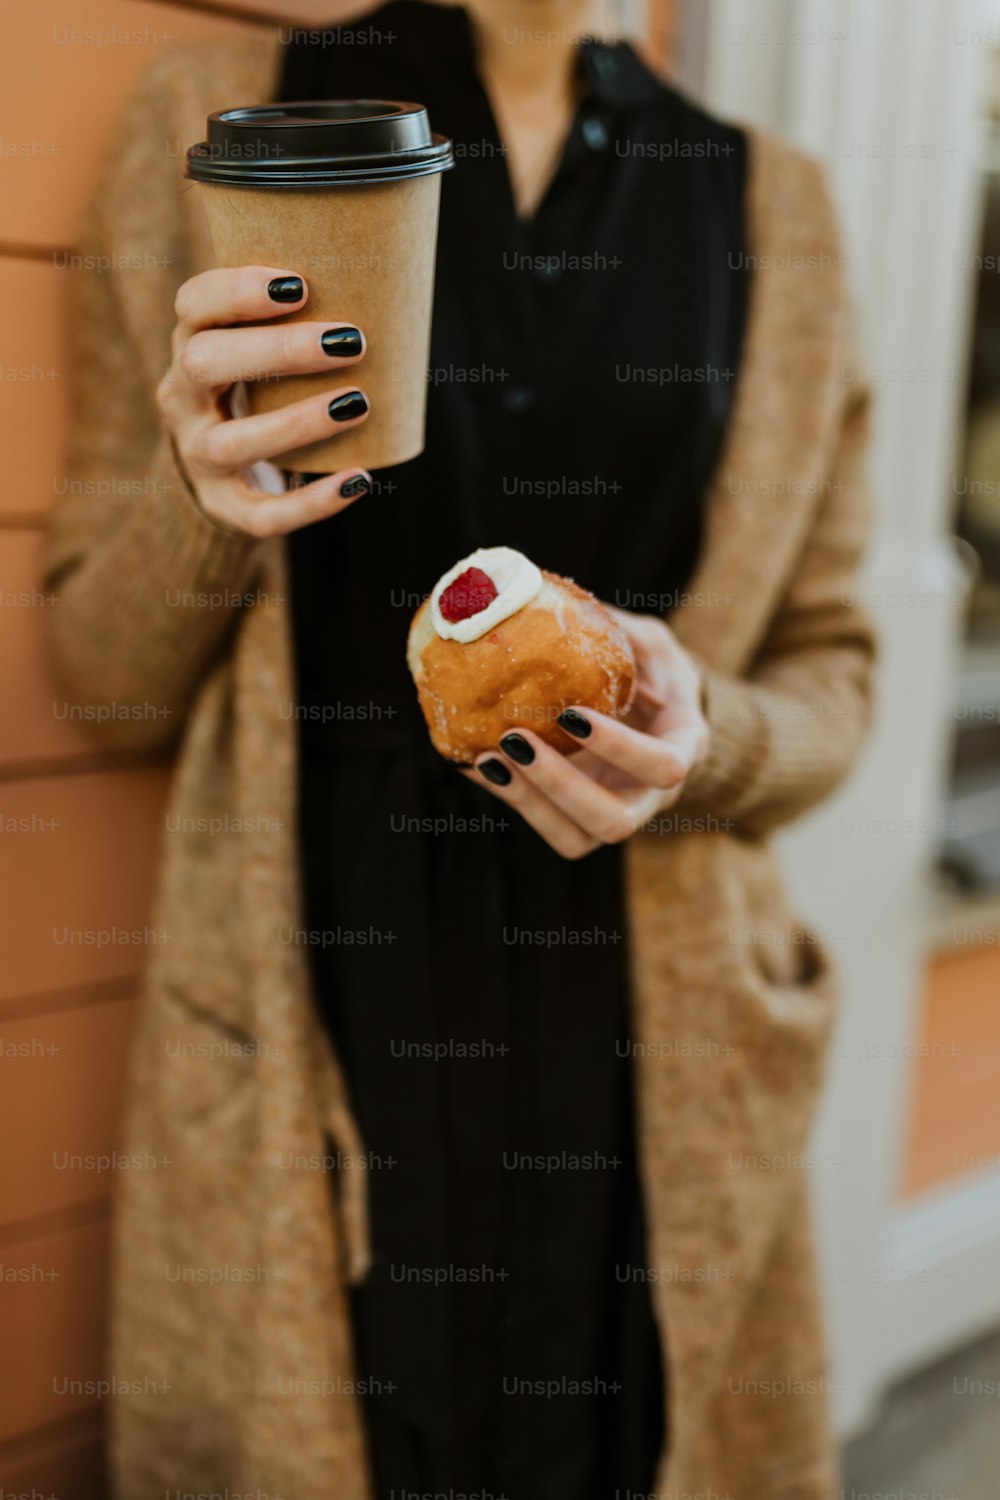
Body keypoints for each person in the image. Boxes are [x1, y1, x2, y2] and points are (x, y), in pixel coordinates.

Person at [43, 2, 876, 1497]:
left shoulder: (773, 207)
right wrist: (198, 498)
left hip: (648, 1019)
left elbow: (837, 676)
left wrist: (710, 737)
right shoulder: (226, 124)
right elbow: (104, 686)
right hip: (330, 980)